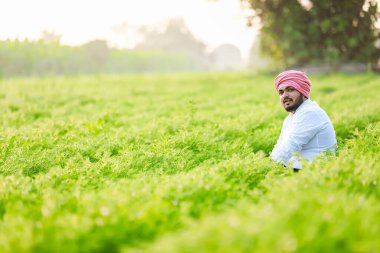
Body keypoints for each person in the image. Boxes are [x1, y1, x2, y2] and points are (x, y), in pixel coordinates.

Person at [270, 70, 337, 172]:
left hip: (313, 173)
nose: (285, 95)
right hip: (297, 169)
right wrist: (268, 163)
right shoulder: (291, 117)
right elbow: (281, 145)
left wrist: (266, 168)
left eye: (290, 90)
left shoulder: (310, 113)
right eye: (281, 92)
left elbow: (290, 145)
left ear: (303, 92)